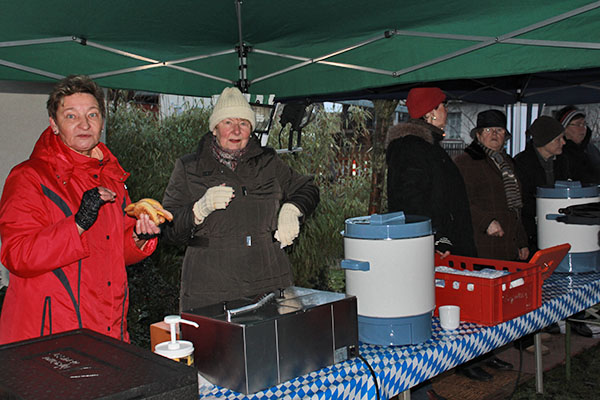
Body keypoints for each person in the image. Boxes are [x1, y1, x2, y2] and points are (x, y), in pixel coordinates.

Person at [0, 75, 160, 345]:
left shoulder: (112, 178)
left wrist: (137, 237)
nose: (84, 124)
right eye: (71, 116)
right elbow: (17, 255)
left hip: (108, 328)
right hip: (49, 337)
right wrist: (78, 224)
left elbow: (112, 251)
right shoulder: (29, 177)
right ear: (54, 124)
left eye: (92, 114)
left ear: (102, 121)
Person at [161, 87, 319, 311]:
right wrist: (198, 210)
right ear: (215, 128)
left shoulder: (268, 162)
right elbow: (168, 229)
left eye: (243, 123)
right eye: (228, 122)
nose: (236, 130)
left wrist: (293, 209)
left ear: (251, 129)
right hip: (210, 287)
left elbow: (308, 188)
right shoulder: (189, 167)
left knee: (275, 334)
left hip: (270, 282)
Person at [386, 87, 477, 258]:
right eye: (444, 106)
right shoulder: (412, 148)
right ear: (431, 112)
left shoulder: (427, 146)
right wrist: (437, 237)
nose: (447, 111)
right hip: (435, 247)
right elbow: (411, 200)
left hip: (441, 241)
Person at [454, 110, 529, 261]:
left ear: (505, 136)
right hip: (481, 245)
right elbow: (457, 201)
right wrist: (486, 222)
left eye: (499, 130)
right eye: (488, 130)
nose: (494, 134)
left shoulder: (508, 163)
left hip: (508, 246)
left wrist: (522, 242)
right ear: (478, 135)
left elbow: (515, 207)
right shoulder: (465, 162)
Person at [514, 116, 573, 254]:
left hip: (559, 226)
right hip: (532, 231)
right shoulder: (522, 163)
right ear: (544, 141)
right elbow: (522, 201)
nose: (563, 142)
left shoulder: (563, 161)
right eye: (558, 139)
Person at [555, 105, 600, 183]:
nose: (583, 128)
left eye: (584, 124)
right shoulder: (558, 152)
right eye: (578, 124)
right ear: (564, 128)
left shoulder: (592, 150)